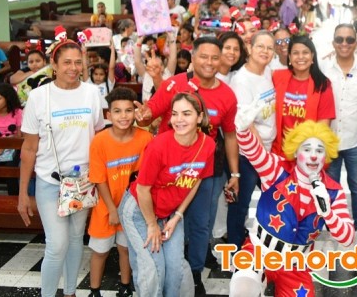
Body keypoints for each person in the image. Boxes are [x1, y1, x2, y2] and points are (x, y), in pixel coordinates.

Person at [137, 37, 238, 288]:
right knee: (169, 220)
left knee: (202, 223)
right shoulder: (174, 84)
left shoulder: (227, 95)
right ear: (192, 58)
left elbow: (230, 135)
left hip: (205, 168)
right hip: (168, 169)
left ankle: (194, 272)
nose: (209, 62)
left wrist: (235, 174)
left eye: (215, 57)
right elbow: (149, 113)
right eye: (203, 56)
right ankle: (173, 267)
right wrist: (142, 115)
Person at [17, 39, 105, 297]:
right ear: (53, 65)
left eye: (78, 62)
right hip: (50, 182)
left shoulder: (91, 93)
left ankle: (70, 292)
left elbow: (99, 137)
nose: (73, 68)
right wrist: (23, 193)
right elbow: (29, 149)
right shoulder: (38, 97)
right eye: (66, 62)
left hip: (83, 182)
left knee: (76, 239)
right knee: (57, 245)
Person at [228, 119, 355, 296]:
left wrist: (328, 213)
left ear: (326, 156)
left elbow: (348, 238)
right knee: (242, 289)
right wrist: (242, 130)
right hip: (258, 251)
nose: (313, 156)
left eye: (319, 150)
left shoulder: (333, 191)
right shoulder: (276, 169)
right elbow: (254, 152)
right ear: (296, 151)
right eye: (307, 149)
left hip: (295, 263)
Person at [120, 93, 215, 297]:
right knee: (154, 270)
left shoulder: (207, 145)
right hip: (140, 211)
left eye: (186, 114)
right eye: (175, 114)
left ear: (200, 117)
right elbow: (142, 189)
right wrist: (151, 224)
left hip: (170, 213)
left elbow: (196, 179)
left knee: (175, 269)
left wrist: (178, 215)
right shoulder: (158, 146)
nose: (179, 119)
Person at [87, 87, 152, 297]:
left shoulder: (145, 138)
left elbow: (145, 176)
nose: (123, 116)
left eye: (128, 110)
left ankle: (125, 287)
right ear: (108, 115)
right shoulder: (100, 141)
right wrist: (113, 209)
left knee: (126, 248)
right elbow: (99, 179)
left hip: (132, 207)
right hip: (106, 207)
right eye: (117, 111)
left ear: (135, 113)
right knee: (100, 251)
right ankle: (94, 290)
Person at [322, 23, 357, 241]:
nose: (344, 44)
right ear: (333, 42)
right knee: (330, 188)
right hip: (329, 140)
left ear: (356, 43)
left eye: (349, 39)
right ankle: (333, 227)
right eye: (340, 39)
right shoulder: (323, 67)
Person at [226, 30, 278, 248]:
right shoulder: (241, 80)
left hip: (267, 150)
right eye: (260, 46)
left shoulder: (268, 72)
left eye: (269, 48)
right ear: (249, 48)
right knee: (241, 204)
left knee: (275, 198)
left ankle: (268, 241)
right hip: (249, 154)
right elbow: (247, 123)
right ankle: (235, 249)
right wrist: (262, 156)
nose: (265, 51)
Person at [271, 35, 335, 155]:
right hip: (278, 153)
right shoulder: (276, 77)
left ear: (312, 56)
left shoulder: (323, 84)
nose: (300, 57)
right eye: (295, 53)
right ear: (289, 57)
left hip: (307, 155)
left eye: (305, 52)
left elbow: (323, 126)